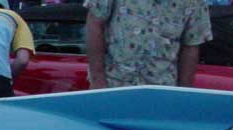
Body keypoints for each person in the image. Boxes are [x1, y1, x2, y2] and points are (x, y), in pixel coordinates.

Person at [84, 0, 212, 88]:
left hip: (162, 91)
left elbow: (191, 44)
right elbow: (95, 22)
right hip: (114, 85)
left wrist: (183, 94)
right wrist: (98, 81)